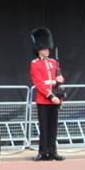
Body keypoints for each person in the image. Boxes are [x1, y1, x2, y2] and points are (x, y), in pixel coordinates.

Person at [29, 27, 65, 161]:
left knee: (53, 127)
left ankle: (53, 151)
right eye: (44, 48)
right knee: (44, 127)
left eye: (47, 48)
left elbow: (58, 80)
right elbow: (39, 83)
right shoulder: (34, 64)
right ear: (39, 50)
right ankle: (43, 152)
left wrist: (60, 81)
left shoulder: (54, 62)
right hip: (44, 100)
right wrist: (51, 96)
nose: (47, 50)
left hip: (55, 99)